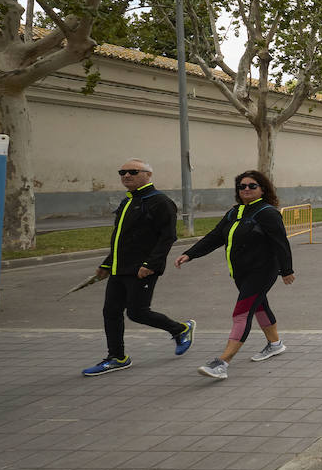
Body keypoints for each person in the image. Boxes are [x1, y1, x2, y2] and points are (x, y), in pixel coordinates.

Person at [176, 170, 295, 381]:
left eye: (252, 186)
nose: (246, 189)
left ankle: (222, 363)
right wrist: (190, 254)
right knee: (259, 306)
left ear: (263, 189)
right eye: (242, 186)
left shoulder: (267, 213)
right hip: (240, 273)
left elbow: (280, 242)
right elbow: (215, 237)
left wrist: (286, 270)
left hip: (261, 272)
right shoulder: (234, 212)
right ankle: (275, 344)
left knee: (241, 313)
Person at [82, 159, 193, 377]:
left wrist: (150, 264)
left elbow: (168, 237)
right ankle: (117, 357)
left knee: (137, 312)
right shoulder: (127, 202)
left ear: (148, 175)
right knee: (110, 311)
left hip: (143, 269)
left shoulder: (160, 201)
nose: (126, 175)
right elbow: (120, 239)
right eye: (122, 172)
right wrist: (106, 263)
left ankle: (181, 329)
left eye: (133, 171)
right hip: (119, 268)